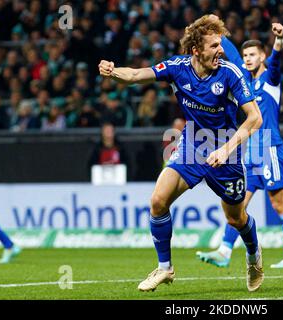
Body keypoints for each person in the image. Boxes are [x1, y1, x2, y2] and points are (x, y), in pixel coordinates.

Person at [98, 15, 264, 292]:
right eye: (213, 46)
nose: (220, 51)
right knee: (158, 201)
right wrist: (114, 71)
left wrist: (226, 149)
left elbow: (255, 118)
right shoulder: (177, 67)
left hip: (226, 151)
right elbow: (138, 75)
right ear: (196, 50)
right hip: (193, 146)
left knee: (235, 218)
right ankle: (165, 268)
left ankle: (253, 255)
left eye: (220, 45)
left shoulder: (230, 73)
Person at [196, 21, 283, 269]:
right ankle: (224, 251)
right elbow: (231, 55)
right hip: (252, 149)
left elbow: (276, 62)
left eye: (252, 54)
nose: (247, 58)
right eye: (246, 55)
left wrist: (279, 40)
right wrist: (215, 34)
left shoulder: (270, 79)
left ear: (262, 56)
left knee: (279, 202)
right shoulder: (244, 79)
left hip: (270, 147)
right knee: (238, 204)